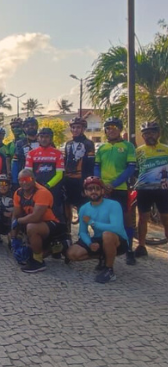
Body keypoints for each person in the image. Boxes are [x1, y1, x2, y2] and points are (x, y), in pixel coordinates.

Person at [67, 176, 129, 283]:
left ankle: (109, 269)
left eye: (97, 188)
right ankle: (103, 256)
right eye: (90, 189)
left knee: (107, 235)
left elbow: (117, 227)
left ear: (102, 191)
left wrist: (92, 222)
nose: (93, 191)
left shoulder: (114, 205)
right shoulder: (84, 208)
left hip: (118, 241)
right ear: (85, 192)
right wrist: (90, 243)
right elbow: (82, 231)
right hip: (99, 239)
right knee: (72, 253)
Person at [94, 117, 137, 265]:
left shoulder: (128, 146)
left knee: (126, 219)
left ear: (120, 129)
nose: (110, 130)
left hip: (120, 188)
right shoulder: (102, 147)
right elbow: (97, 167)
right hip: (103, 189)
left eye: (113, 127)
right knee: (102, 220)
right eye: (108, 127)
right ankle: (103, 255)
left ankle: (129, 249)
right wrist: (100, 183)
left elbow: (130, 168)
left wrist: (113, 184)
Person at [11, 169, 63, 274]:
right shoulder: (18, 193)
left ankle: (38, 261)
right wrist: (13, 238)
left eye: (27, 179)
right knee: (17, 240)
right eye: (21, 179)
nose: (24, 182)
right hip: (35, 223)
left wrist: (18, 221)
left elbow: (36, 217)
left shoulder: (42, 192)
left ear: (34, 179)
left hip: (54, 223)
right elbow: (16, 214)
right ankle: (55, 248)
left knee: (31, 227)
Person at [133, 121, 168, 258]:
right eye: (146, 133)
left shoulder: (166, 149)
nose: (149, 136)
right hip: (144, 189)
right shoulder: (139, 151)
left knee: (165, 218)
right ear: (142, 136)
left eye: (152, 132)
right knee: (142, 218)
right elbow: (135, 170)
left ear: (158, 134)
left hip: (163, 189)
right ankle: (141, 245)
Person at [25, 127, 65, 225]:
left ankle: (61, 235)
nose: (44, 139)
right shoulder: (31, 153)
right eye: (41, 137)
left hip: (53, 188)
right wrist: (36, 186)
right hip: (35, 188)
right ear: (38, 138)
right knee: (35, 212)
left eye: (47, 137)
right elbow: (28, 173)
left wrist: (47, 186)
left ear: (51, 139)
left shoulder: (58, 154)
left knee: (56, 213)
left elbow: (60, 174)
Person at [63, 117, 96, 220]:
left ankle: (83, 233)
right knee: (66, 206)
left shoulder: (88, 143)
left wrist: (86, 183)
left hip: (81, 179)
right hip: (68, 179)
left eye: (78, 127)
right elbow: (65, 161)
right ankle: (67, 232)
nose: (75, 130)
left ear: (83, 129)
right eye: (73, 127)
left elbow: (90, 165)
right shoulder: (68, 144)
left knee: (82, 208)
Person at [11, 117, 39, 188]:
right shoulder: (19, 143)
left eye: (32, 125)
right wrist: (15, 182)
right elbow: (16, 163)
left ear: (37, 126)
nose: (30, 127)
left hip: (43, 176)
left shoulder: (45, 141)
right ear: (24, 128)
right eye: (27, 126)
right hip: (26, 179)